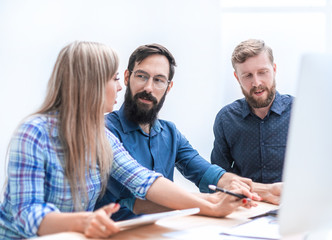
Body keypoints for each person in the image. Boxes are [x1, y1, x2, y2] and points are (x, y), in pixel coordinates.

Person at [0, 41, 256, 239]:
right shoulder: (34, 133)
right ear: (90, 83)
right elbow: (27, 214)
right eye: (114, 79)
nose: (120, 88)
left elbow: (144, 179)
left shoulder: (99, 136)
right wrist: (82, 221)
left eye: (159, 80)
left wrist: (209, 205)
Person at [95, 43, 280, 221]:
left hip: (163, 232)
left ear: (168, 87)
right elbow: (129, 201)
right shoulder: (103, 131)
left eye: (159, 80)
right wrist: (211, 202)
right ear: (127, 77)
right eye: (142, 76)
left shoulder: (170, 133)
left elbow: (209, 174)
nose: (149, 88)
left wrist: (267, 190)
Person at [211, 39, 293, 200]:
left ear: (274, 70)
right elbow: (218, 178)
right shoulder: (226, 119)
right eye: (247, 75)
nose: (256, 82)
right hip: (244, 209)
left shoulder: (300, 112)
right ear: (237, 78)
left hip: (294, 207)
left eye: (262, 72)